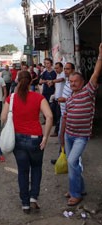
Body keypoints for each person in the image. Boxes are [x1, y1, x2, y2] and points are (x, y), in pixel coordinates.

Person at [1, 71, 53, 214]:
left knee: (23, 171)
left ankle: (25, 203)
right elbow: (49, 116)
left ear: (17, 81)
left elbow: (3, 117)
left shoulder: (11, 98)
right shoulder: (38, 97)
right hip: (36, 138)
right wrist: (45, 137)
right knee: (36, 168)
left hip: (18, 139)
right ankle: (33, 198)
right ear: (31, 82)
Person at [60, 43, 102, 207]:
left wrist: (100, 55)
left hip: (81, 137)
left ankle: (76, 194)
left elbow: (96, 72)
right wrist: (62, 137)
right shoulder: (70, 98)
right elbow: (65, 117)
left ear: (82, 81)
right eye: (70, 82)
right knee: (74, 163)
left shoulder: (88, 91)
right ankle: (79, 188)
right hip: (69, 135)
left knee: (72, 162)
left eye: (75, 81)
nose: (73, 84)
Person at [50, 62, 75, 164]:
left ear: (73, 70)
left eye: (68, 69)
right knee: (62, 137)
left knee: (65, 137)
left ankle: (69, 159)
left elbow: (76, 98)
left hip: (70, 116)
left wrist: (65, 100)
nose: (65, 71)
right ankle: (63, 157)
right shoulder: (68, 81)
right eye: (65, 69)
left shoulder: (74, 82)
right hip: (63, 113)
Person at [49, 62, 65, 137]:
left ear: (61, 68)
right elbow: (57, 86)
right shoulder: (58, 74)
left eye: (57, 68)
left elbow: (61, 80)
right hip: (56, 98)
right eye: (55, 68)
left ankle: (57, 131)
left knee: (59, 116)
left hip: (61, 99)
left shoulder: (63, 74)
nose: (56, 69)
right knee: (54, 114)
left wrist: (52, 81)